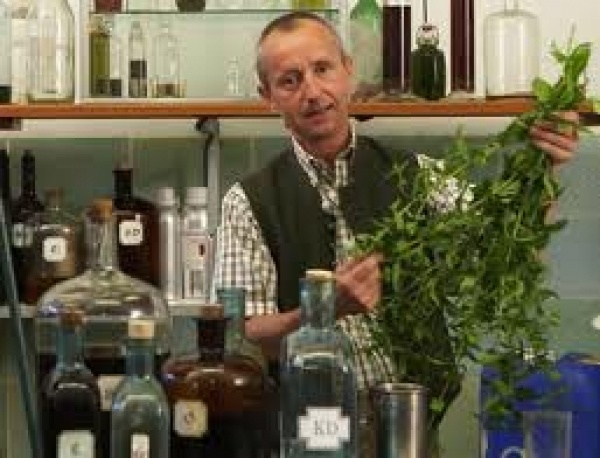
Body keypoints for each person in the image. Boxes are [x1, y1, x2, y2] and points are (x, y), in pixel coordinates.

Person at [212, 9, 579, 447]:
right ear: (268, 97)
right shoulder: (248, 201)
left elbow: (506, 252)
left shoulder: (415, 175)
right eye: (290, 80)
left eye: (322, 69)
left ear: (348, 72)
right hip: (308, 432)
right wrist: (324, 310)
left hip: (411, 424)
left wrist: (543, 168)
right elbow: (243, 338)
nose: (312, 91)